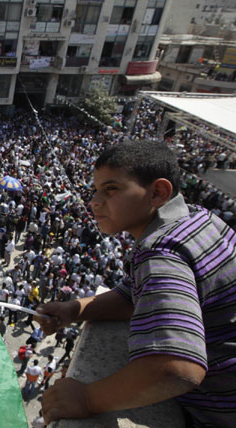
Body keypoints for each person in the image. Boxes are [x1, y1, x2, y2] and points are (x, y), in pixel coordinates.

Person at [38, 140, 236, 427]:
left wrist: (87, 399)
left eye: (111, 189)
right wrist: (75, 310)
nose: (94, 201)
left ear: (157, 192)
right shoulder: (200, 218)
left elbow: (177, 369)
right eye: (95, 191)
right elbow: (136, 296)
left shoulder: (160, 252)